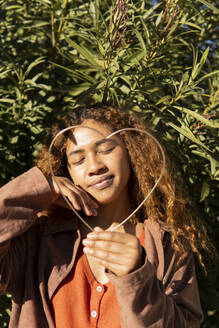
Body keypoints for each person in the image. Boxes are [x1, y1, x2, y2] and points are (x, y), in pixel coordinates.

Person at [0, 105, 209, 327]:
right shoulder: (38, 238)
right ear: (66, 171)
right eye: (78, 160)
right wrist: (39, 189)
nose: (94, 166)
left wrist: (137, 277)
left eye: (106, 149)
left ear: (130, 151)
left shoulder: (167, 243)